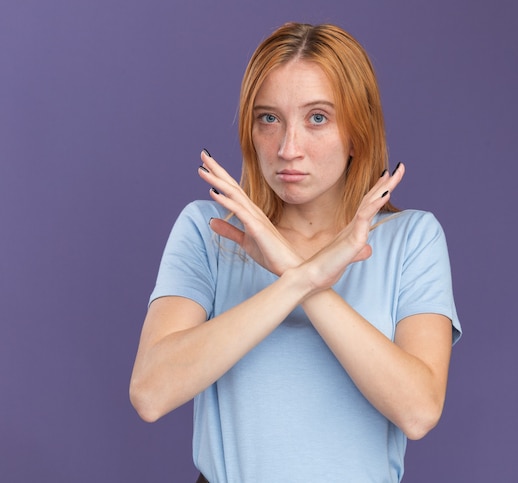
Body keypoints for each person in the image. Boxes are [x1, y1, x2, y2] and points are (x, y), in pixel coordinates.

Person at [130, 22, 462, 483]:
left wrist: (295, 273)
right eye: (269, 118)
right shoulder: (209, 232)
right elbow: (151, 392)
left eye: (317, 118)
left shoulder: (411, 239)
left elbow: (419, 410)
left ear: (358, 130)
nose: (288, 149)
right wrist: (304, 277)